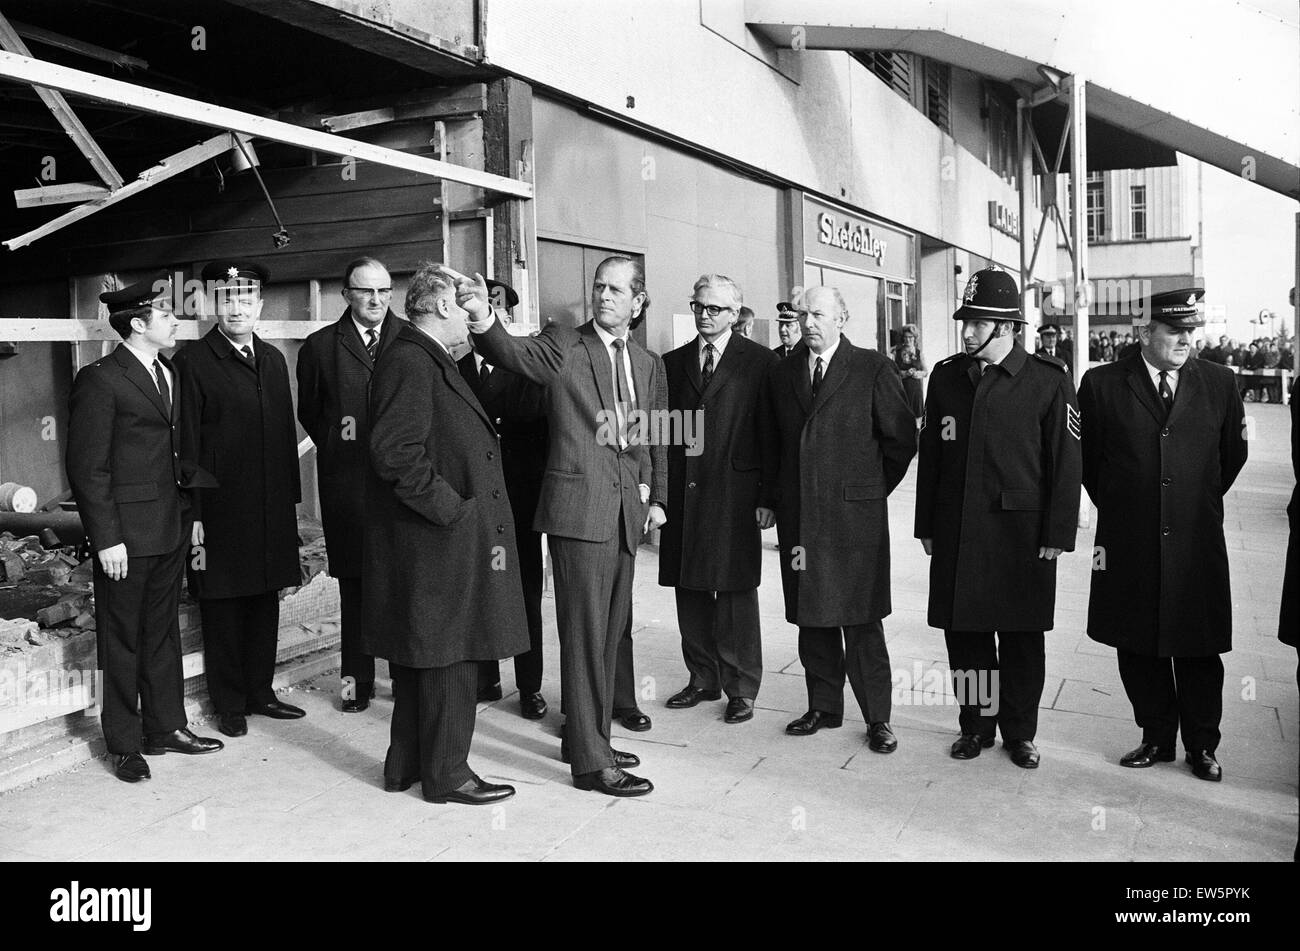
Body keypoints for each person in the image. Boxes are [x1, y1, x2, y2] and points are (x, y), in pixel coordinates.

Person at [462, 257, 668, 797]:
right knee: (582, 636)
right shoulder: (563, 344)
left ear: (637, 302)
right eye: (599, 287)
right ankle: (591, 765)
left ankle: (588, 737)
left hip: (627, 514)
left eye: (617, 290)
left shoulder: (646, 363)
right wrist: (484, 317)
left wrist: (653, 496)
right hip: (578, 512)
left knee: (608, 635)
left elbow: (650, 439)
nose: (604, 297)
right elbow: (510, 352)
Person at [362, 264, 528, 804]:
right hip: (437, 541)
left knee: (423, 657)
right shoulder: (412, 359)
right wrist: (453, 512)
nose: (472, 316)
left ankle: (405, 765)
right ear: (438, 308)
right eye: (466, 306)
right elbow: (395, 453)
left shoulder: (423, 356)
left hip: (431, 541)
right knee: (451, 657)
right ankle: (448, 775)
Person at [1078, 288, 1248, 782]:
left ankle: (1202, 746)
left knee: (1198, 646)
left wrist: (1192, 501)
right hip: (1130, 539)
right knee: (1136, 641)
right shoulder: (1103, 384)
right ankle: (1156, 736)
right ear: (1144, 331)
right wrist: (1128, 502)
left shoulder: (1218, 382)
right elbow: (1089, 462)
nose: (1185, 339)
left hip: (1196, 540)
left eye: (1190, 331)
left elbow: (1230, 458)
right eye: (1174, 330)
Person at [915, 266, 1082, 768]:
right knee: (965, 639)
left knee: (1021, 639)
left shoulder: (1048, 381)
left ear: (1006, 328)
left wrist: (1057, 532)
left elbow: (1066, 463)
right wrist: (927, 524)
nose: (966, 331)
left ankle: (1020, 733)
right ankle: (975, 727)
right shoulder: (946, 377)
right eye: (965, 321)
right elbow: (933, 458)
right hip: (958, 533)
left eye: (977, 323)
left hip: (1021, 536)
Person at [66, 274, 224, 783]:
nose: (176, 320)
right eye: (165, 315)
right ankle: (126, 743)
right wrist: (106, 537)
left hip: (169, 525)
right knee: (122, 638)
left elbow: (181, 453)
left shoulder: (170, 372)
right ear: (137, 324)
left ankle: (166, 727)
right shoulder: (100, 380)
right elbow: (89, 469)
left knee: (162, 634)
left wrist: (192, 515)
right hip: (126, 536)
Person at [759, 285, 916, 751]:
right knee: (813, 615)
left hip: (855, 521)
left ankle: (878, 719)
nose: (809, 323)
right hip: (801, 517)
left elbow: (902, 440)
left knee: (862, 620)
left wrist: (867, 491)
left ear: (842, 319)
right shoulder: (784, 371)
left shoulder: (871, 367)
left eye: (820, 315)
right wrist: (771, 497)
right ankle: (823, 707)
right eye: (804, 314)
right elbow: (771, 441)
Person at [175, 260, 304, 739]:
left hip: (268, 507)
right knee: (223, 604)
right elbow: (186, 445)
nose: (237, 308)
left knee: (263, 598)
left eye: (246, 299)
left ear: (260, 305)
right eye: (227, 300)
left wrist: (290, 502)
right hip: (219, 511)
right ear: (213, 305)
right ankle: (228, 702)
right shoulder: (193, 362)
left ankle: (260, 691)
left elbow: (284, 435)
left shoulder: (271, 359)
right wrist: (197, 515)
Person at [659, 275, 778, 724]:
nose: (704, 315)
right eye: (698, 306)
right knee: (689, 587)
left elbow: (772, 434)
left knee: (734, 592)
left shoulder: (762, 363)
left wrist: (769, 496)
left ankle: (741, 687)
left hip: (736, 494)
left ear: (735, 314)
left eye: (714, 309)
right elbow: (663, 432)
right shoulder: (672, 363)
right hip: (686, 493)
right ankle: (702, 678)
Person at [297, 256, 402, 713]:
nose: (376, 300)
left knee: (402, 583)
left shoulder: (411, 339)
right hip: (350, 488)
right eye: (366, 291)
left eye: (383, 291)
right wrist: (346, 454)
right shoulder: (321, 347)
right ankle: (355, 684)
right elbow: (312, 413)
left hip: (403, 485)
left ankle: (405, 679)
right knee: (355, 587)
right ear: (347, 295)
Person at [457, 279, 550, 720]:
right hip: (476, 501)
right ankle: (486, 678)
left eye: (500, 310)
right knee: (482, 588)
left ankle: (529, 686)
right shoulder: (454, 369)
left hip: (521, 500)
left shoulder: (527, 369)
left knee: (527, 591)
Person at [891, 323, 927, 421]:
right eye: (905, 337)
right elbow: (893, 372)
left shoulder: (919, 353)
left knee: (917, 419)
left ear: (915, 338)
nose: (908, 340)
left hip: (916, 390)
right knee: (903, 418)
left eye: (910, 337)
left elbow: (925, 372)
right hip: (902, 389)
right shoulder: (896, 352)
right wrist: (905, 373)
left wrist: (918, 374)